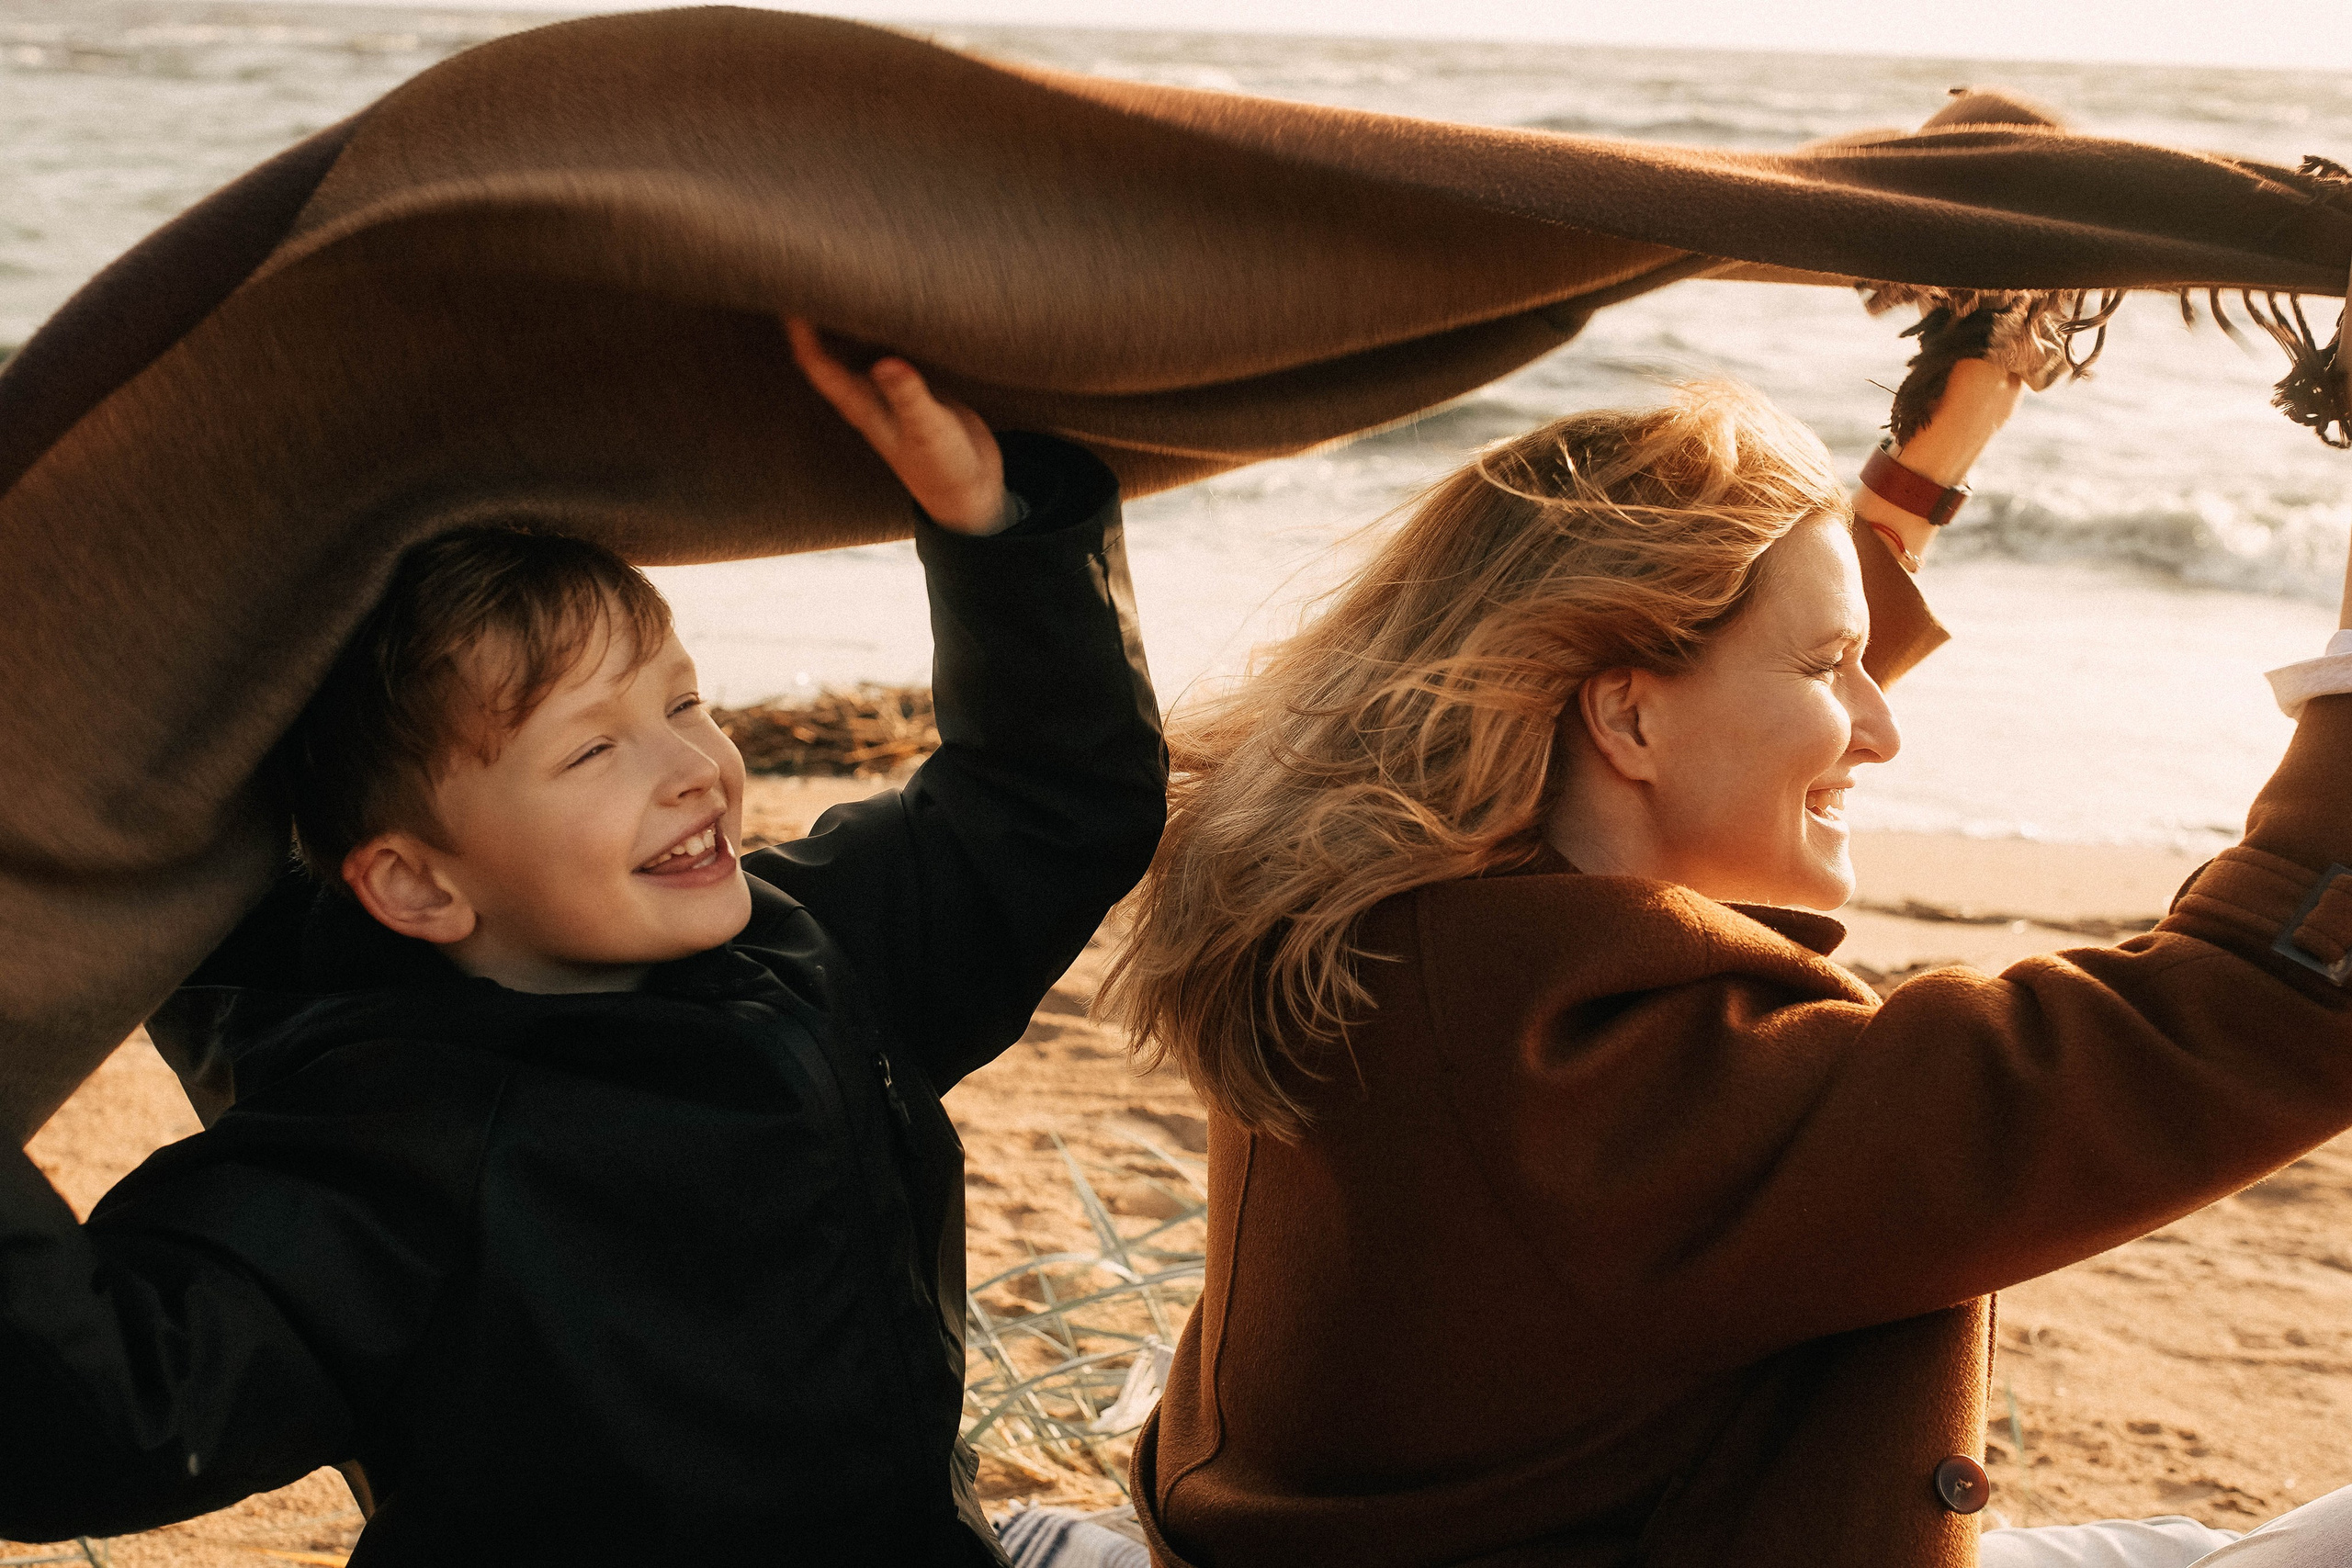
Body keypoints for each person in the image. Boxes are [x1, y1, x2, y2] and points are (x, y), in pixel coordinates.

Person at [1100, 331, 2352, 1566]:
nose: (1882, 733)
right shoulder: (1584, 1080)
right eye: (1832, 669)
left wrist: (1923, 471)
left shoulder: (1388, 933)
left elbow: (1725, 663)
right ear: (1626, 716)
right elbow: (2247, 1011)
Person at [0, 321, 1166, 1564]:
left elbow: (1050, 804)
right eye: (593, 749)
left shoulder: (808, 953)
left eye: (683, 700)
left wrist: (992, 525)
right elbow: (108, 1416)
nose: (695, 771)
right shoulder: (386, 1153)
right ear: (416, 884)